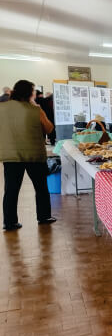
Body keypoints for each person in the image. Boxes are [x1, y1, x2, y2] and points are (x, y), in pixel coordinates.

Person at [1, 80, 56, 230]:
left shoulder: (2, 108)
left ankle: (9, 222)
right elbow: (49, 128)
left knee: (11, 189)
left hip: (10, 155)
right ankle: (44, 216)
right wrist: (37, 109)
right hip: (34, 154)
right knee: (41, 187)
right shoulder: (35, 110)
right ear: (29, 94)